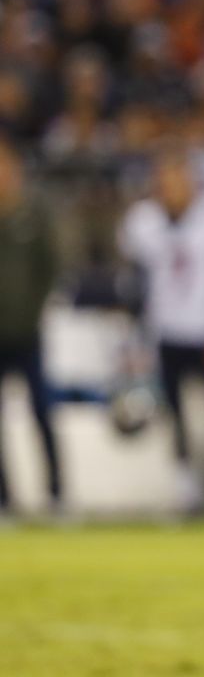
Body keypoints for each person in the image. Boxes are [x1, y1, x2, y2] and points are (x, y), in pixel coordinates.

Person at [118, 148, 204, 513]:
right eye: (165, 180)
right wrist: (136, 337)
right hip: (166, 330)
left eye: (177, 178)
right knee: (174, 411)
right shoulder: (142, 221)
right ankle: (185, 475)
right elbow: (136, 283)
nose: (171, 187)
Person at [0, 137, 63, 516]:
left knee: (42, 411)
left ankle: (57, 492)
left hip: (27, 332)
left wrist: (34, 311)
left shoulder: (34, 215)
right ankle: (4, 497)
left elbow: (50, 268)